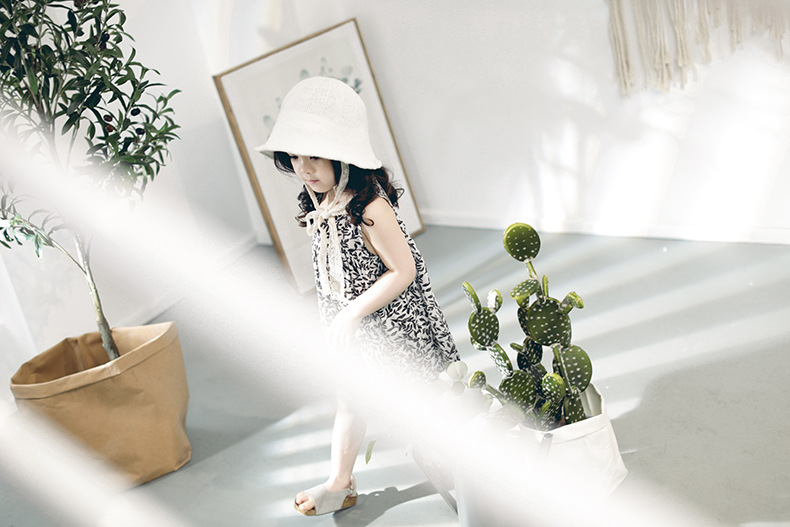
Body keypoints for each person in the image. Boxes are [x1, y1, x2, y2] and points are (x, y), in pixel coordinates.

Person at [256, 76, 458, 516]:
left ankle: (464, 465)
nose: (304, 168)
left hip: (392, 322)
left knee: (423, 395)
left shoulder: (369, 208)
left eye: (315, 156)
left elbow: (403, 270)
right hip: (352, 323)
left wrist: (350, 314)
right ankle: (339, 483)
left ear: (342, 156)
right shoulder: (322, 202)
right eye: (295, 157)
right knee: (350, 399)